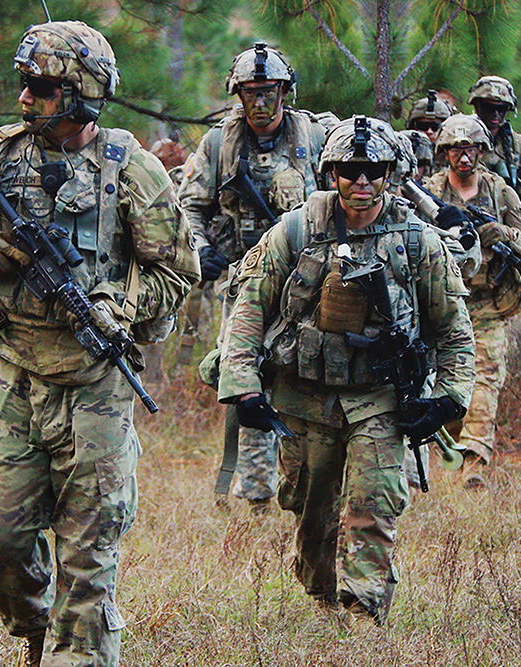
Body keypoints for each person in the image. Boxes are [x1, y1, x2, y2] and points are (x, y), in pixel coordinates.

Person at [0, 21, 199, 667]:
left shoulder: (129, 169)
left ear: (82, 93)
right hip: (13, 372)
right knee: (1, 545)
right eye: (24, 85)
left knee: (90, 549)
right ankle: (35, 629)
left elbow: (178, 271)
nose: (26, 99)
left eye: (43, 88)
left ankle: (78, 653)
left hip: (95, 382)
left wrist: (118, 305)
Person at [217, 115, 475, 623]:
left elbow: (453, 329)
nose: (361, 182)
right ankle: (323, 603)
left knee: (372, 506)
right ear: (330, 172)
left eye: (373, 170)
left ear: (391, 173)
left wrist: (448, 398)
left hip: (378, 400)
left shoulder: (416, 240)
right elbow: (251, 304)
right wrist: (243, 386)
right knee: (312, 516)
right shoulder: (297, 228)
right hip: (305, 396)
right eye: (349, 171)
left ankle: (362, 618)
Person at [179, 42, 336, 512]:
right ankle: (256, 496)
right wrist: (201, 248)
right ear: (238, 95)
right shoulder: (218, 144)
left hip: (308, 281)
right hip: (246, 279)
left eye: (269, 92)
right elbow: (190, 205)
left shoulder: (315, 136)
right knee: (245, 379)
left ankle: (313, 484)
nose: (260, 103)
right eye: (250, 94)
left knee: (313, 379)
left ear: (285, 92)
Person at [424, 114, 521, 478]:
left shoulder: (500, 191)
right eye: (456, 149)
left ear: (482, 151)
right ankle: (452, 451)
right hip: (442, 304)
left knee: (485, 377)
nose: (464, 157)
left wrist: (500, 233)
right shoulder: (428, 192)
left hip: (488, 304)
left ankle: (474, 462)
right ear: (445, 152)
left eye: (470, 148)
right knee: (445, 380)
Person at [468, 75, 521, 274]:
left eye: (502, 109)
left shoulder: (518, 145)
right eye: (490, 108)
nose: (496, 114)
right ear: (478, 106)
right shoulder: (462, 139)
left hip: (513, 234)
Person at [404, 91, 454, 177]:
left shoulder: (455, 154)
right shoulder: (404, 152)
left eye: (435, 126)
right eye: (423, 126)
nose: (429, 131)